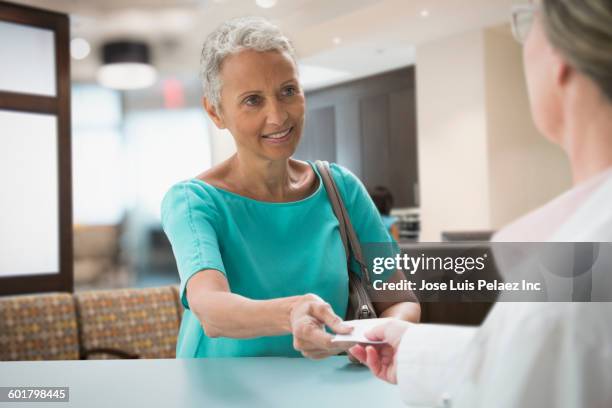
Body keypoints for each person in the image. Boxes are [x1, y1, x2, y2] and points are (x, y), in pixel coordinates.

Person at [350, 0, 612, 406]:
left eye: (528, 24)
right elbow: (525, 360)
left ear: (561, 58)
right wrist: (415, 348)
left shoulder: (572, 286)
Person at [161, 17, 420, 359]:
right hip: (220, 393)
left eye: (288, 91)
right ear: (216, 111)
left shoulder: (341, 190)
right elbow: (210, 309)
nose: (278, 116)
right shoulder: (194, 202)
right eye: (253, 100)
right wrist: (291, 313)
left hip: (322, 390)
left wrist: (383, 336)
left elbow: (399, 299)